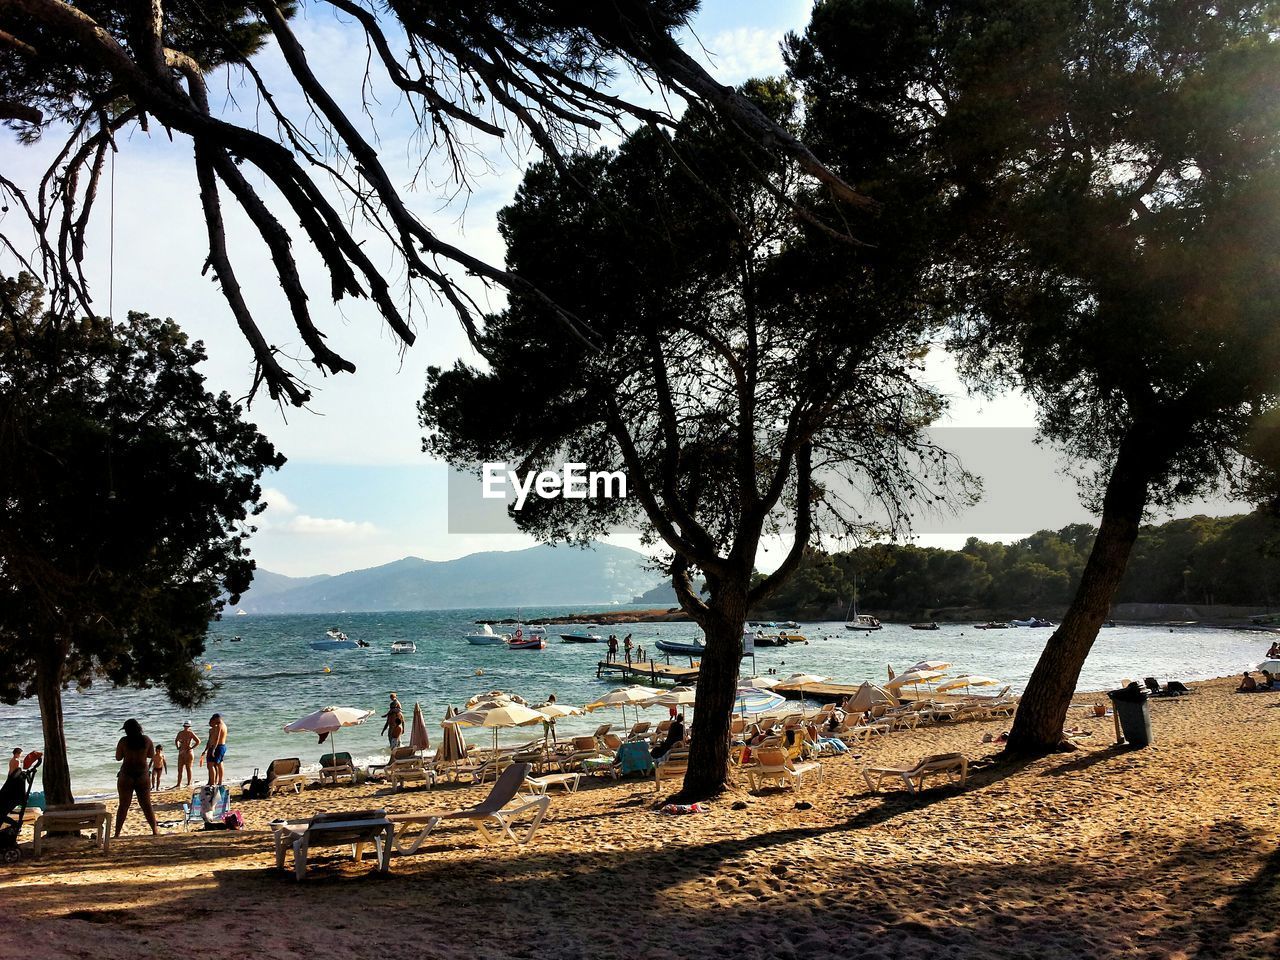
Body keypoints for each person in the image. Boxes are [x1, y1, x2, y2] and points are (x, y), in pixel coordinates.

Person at [114, 719, 158, 838]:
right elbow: (151, 755)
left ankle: (117, 833)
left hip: (126, 775)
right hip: (142, 775)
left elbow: (118, 757)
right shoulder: (146, 740)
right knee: (146, 804)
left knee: (123, 805)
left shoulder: (124, 741)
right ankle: (154, 830)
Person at [174, 721, 201, 789]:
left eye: (187, 726)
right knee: (179, 769)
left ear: (189, 727)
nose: (186, 728)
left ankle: (189, 783)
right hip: (181, 752)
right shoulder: (180, 733)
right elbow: (176, 740)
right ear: (183, 726)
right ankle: (178, 783)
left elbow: (198, 741)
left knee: (188, 768)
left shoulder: (191, 733)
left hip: (188, 752)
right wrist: (177, 747)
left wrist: (192, 747)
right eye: (185, 726)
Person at [205, 714, 228, 786]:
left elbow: (217, 738)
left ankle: (213, 782)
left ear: (216, 719)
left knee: (210, 765)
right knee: (219, 764)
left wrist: (214, 749)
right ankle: (219, 782)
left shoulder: (219, 726)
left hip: (218, 746)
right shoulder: (223, 725)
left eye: (214, 720)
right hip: (222, 746)